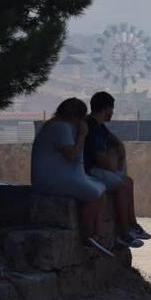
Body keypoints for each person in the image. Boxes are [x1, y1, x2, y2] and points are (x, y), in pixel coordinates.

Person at [31, 98, 113, 257]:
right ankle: (89, 234)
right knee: (94, 193)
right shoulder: (60, 127)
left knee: (100, 188)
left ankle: (98, 232)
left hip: (59, 176)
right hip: (53, 179)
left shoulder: (55, 125)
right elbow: (72, 155)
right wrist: (82, 135)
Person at [83, 91, 149, 248]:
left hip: (99, 169)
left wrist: (119, 147)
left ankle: (133, 226)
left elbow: (113, 140)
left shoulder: (99, 127)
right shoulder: (91, 126)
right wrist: (114, 168)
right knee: (121, 185)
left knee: (128, 182)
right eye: (111, 109)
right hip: (90, 170)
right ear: (106, 108)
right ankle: (124, 232)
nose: (112, 112)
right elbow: (98, 156)